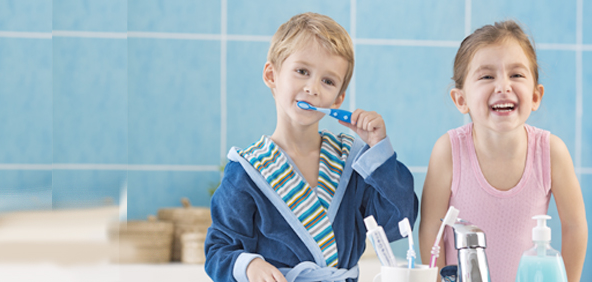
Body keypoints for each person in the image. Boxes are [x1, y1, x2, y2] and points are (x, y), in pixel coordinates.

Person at [204, 12, 418, 282]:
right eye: (302, 71)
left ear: (338, 99)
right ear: (272, 75)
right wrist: (250, 266)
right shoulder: (247, 170)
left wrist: (379, 152)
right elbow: (218, 250)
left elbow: (399, 225)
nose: (312, 88)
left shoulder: (353, 161)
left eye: (327, 81)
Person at [419, 20, 587, 281]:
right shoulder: (448, 151)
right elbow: (431, 230)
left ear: (535, 96)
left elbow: (575, 226)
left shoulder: (551, 152)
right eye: (487, 76)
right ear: (461, 100)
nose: (503, 86)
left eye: (516, 75)